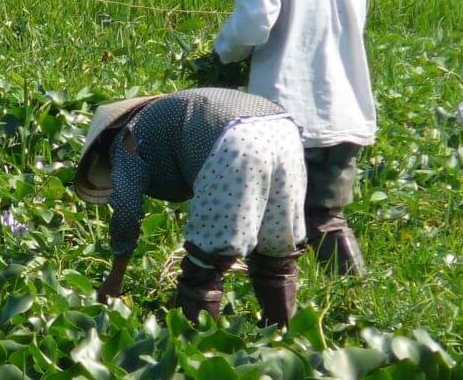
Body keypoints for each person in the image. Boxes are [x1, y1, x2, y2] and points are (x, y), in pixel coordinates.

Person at [212, 0, 375, 276]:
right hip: (343, 106)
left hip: (285, 110)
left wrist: (221, 54)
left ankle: (306, 302)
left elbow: (252, 26)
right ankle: (343, 299)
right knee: (325, 214)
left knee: (279, 220)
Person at [74, 88, 307, 327]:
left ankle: (197, 346)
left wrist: (115, 277)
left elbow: (126, 207)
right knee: (276, 253)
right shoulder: (167, 111)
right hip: (284, 129)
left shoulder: (126, 137)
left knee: (204, 265)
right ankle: (284, 337)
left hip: (237, 141)